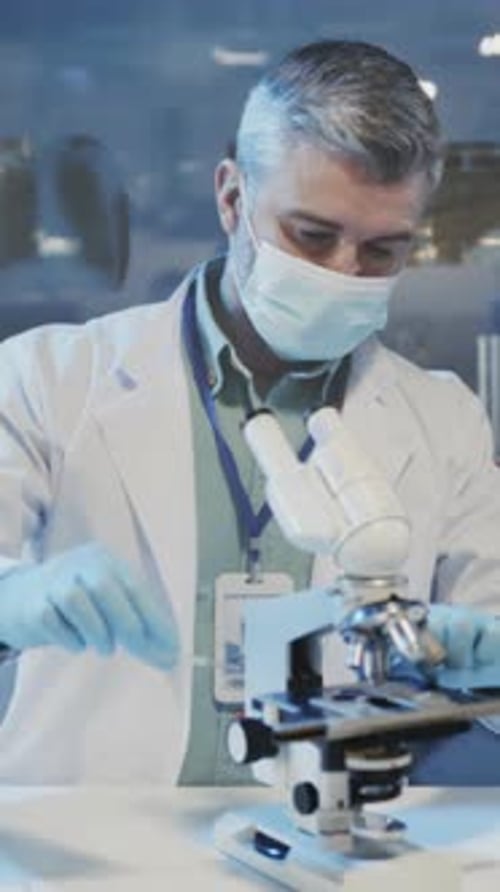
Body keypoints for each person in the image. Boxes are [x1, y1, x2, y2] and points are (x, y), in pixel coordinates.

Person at [0, 39, 500, 784]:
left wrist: (487, 660)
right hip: (97, 829)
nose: (343, 274)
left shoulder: (444, 420)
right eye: (312, 235)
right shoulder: (47, 378)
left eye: (383, 251)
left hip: (332, 831)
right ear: (232, 197)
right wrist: (12, 601)